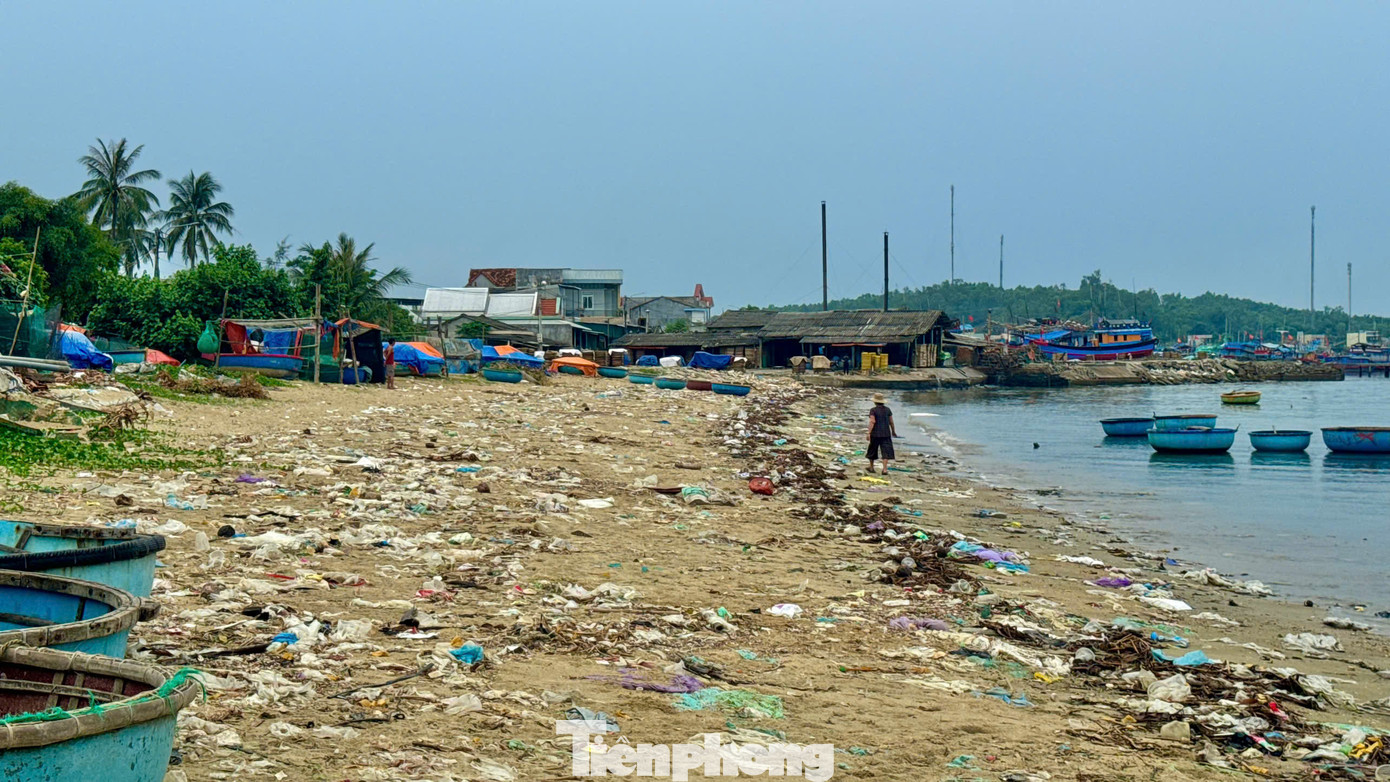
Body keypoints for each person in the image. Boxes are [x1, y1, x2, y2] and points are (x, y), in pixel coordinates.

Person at [866, 393, 898, 475]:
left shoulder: (873, 410)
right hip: (886, 433)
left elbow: (872, 421)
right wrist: (893, 431)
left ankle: (871, 467)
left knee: (872, 450)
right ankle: (884, 469)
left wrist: (868, 432)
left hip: (875, 433)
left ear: (875, 402)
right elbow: (891, 422)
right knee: (886, 452)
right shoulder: (887, 410)